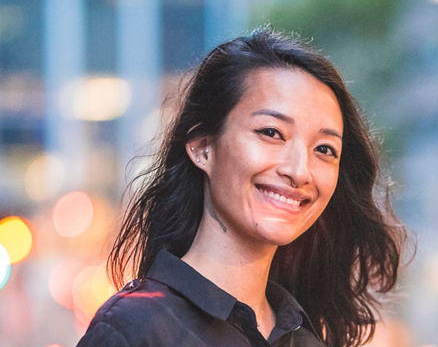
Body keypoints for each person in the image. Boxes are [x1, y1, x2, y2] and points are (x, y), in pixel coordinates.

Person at [77, 27, 405, 347]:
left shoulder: (304, 339)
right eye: (271, 132)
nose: (300, 171)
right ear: (203, 147)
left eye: (324, 149)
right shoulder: (133, 329)